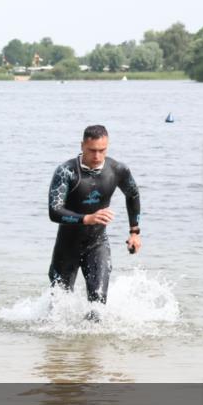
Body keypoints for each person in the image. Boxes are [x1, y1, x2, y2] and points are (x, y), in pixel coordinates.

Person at [48, 125, 141, 305]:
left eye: (102, 150)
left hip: (97, 243)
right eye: (92, 150)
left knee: (98, 301)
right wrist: (86, 218)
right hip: (67, 245)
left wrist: (134, 232)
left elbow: (133, 195)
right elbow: (54, 211)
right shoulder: (66, 171)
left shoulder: (117, 169)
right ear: (82, 145)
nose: (97, 156)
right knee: (59, 304)